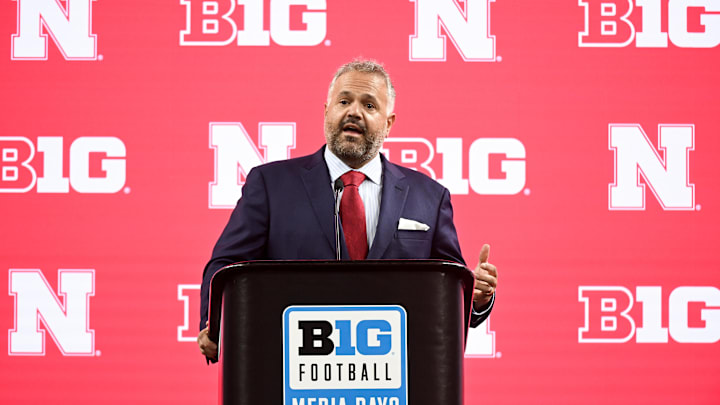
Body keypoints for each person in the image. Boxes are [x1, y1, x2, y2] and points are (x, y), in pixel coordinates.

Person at [197, 59, 498, 360]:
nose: (354, 111)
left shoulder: (430, 197)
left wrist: (478, 296)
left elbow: (451, 290)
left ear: (389, 123)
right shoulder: (271, 184)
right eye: (344, 101)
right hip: (293, 368)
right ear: (326, 111)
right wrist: (215, 327)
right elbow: (226, 266)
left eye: (369, 105)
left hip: (395, 374)